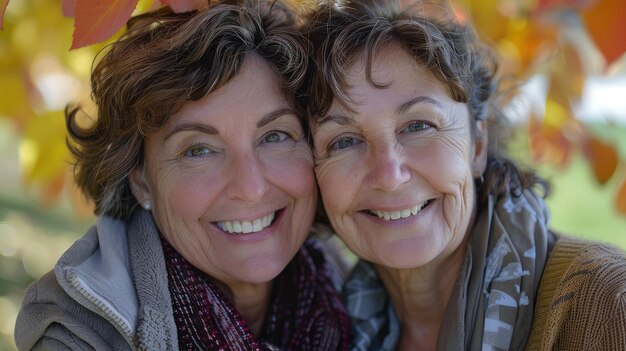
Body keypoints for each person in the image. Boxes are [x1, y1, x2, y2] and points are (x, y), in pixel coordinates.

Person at [14, 1, 351, 350]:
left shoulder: (353, 294)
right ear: (140, 179)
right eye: (199, 150)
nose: (250, 188)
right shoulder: (77, 336)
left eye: (275, 136)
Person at [301, 0, 626, 350]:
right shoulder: (328, 324)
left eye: (419, 125)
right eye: (344, 141)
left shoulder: (608, 303)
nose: (389, 175)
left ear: (478, 145)